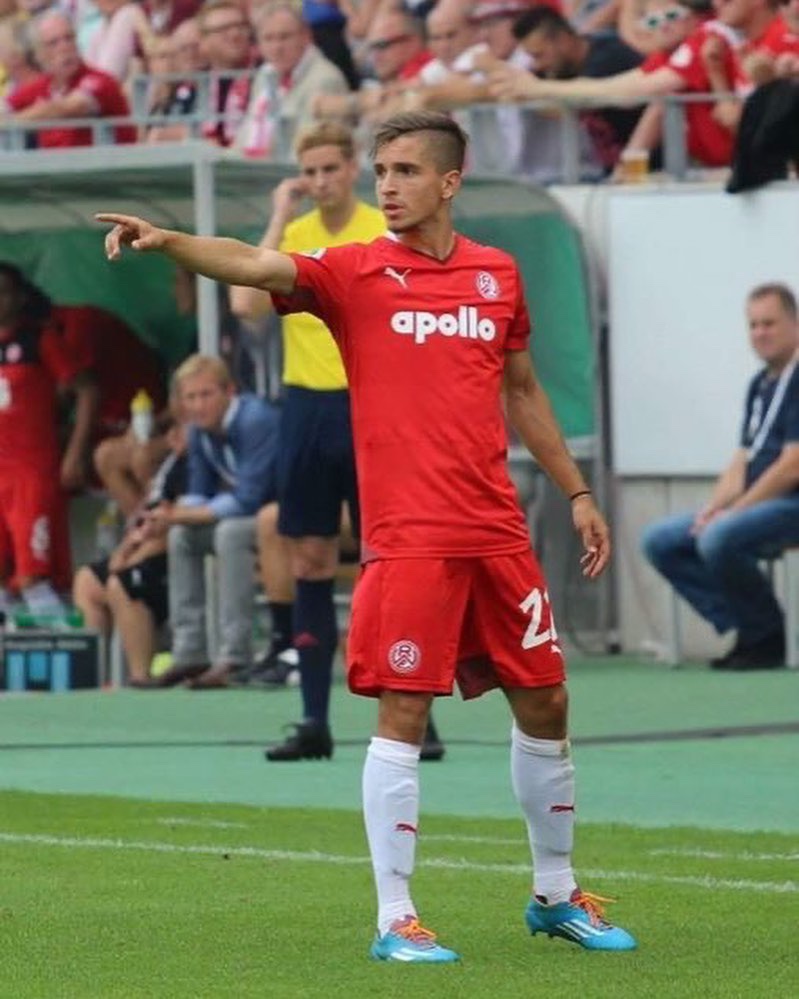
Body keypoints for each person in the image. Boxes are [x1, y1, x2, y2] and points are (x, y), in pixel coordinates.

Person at [98, 109, 637, 961]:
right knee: (403, 709)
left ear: (449, 181)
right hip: (410, 536)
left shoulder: (497, 275)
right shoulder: (353, 273)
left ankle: (555, 893)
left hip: (496, 529)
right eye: (380, 170)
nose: (386, 186)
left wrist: (575, 492)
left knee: (547, 700)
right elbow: (253, 260)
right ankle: (396, 917)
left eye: (405, 171)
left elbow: (524, 391)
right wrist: (168, 241)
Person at [230, 121, 445, 760]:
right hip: (306, 412)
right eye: (311, 171)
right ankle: (314, 720)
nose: (322, 181)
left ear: (352, 169)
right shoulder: (294, 237)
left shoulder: (385, 228)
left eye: (331, 169)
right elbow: (245, 306)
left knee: (391, 560)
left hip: (372, 406)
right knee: (309, 563)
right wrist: (277, 216)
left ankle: (415, 713)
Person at [642, 283, 799, 671]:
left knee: (719, 537)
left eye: (770, 323)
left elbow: (792, 465)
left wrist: (734, 512)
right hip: (758, 503)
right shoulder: (760, 385)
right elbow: (740, 462)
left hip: (791, 503)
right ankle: (749, 626)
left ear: (794, 324)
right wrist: (713, 508)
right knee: (662, 540)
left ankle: (766, 636)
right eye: (753, 325)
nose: (760, 333)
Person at [152, 353, 281, 689]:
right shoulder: (198, 431)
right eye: (190, 397)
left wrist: (180, 513)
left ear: (230, 391)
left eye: (206, 395)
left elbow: (249, 499)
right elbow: (199, 491)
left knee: (230, 533)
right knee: (181, 535)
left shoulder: (256, 420)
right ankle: (190, 652)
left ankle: (235, 655)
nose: (198, 406)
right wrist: (171, 515)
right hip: (249, 516)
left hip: (282, 518)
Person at [0, 262, 96, 615]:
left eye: (4, 291)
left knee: (34, 575)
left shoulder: (41, 339)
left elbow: (87, 391)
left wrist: (75, 452)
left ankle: (65, 654)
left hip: (31, 469)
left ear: (20, 297)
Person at [73, 409, 189, 685]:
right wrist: (123, 552)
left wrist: (130, 559)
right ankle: (97, 681)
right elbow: (142, 521)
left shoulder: (196, 467)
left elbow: (172, 525)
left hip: (173, 558)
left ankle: (141, 678)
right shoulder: (167, 469)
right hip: (142, 550)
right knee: (88, 581)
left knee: (121, 583)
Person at [3, 9, 136, 148]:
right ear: (39, 53)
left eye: (69, 38)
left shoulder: (99, 81)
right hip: (54, 167)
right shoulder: (42, 85)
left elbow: (64, 108)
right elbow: (6, 106)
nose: (65, 47)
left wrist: (11, 122)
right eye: (53, 43)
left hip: (109, 166)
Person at [236, 2, 350, 158]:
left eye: (285, 37)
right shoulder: (265, 75)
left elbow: (307, 154)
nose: (277, 47)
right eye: (268, 38)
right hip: (256, 172)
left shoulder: (325, 79)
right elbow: (246, 136)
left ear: (306, 36)